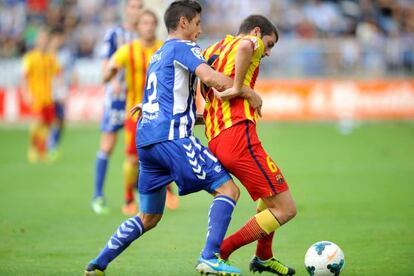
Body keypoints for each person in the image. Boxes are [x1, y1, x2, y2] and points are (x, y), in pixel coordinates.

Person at [84, 1, 262, 275]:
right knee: (228, 190)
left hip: (148, 142)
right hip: (173, 139)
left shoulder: (157, 55)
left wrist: (199, 118)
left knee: (149, 216)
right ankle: (209, 257)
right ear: (183, 23)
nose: (200, 30)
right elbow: (212, 78)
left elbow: (166, 99)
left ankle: (99, 262)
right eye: (198, 24)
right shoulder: (185, 47)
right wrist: (247, 92)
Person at [201, 15, 297, 275]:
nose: (267, 52)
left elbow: (204, 91)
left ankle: (263, 257)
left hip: (217, 138)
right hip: (238, 136)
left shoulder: (212, 50)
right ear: (256, 31)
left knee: (271, 196)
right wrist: (240, 89)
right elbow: (246, 47)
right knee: (286, 208)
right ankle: (220, 251)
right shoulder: (247, 42)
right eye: (269, 44)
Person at [103, 10, 179, 215]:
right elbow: (109, 69)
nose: (148, 27)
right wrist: (109, 74)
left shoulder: (163, 48)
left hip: (161, 113)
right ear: (138, 27)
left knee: (166, 154)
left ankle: (168, 190)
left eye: (152, 23)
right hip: (135, 114)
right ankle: (129, 197)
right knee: (131, 159)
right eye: (144, 23)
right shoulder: (128, 50)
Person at [91, 0, 143, 215]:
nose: (136, 10)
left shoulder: (146, 36)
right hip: (117, 99)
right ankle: (98, 196)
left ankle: (138, 193)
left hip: (138, 100)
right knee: (108, 146)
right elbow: (106, 63)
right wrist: (112, 82)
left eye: (139, 6)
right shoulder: (114, 34)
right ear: (125, 10)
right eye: (132, 6)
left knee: (139, 150)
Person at [22, 28, 61, 163]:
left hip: (48, 97)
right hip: (36, 96)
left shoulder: (50, 58)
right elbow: (24, 78)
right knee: (36, 123)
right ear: (37, 41)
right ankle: (33, 149)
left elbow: (58, 73)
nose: (43, 41)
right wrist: (26, 93)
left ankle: (41, 150)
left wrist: (61, 91)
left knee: (47, 125)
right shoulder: (30, 58)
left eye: (45, 39)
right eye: (41, 39)